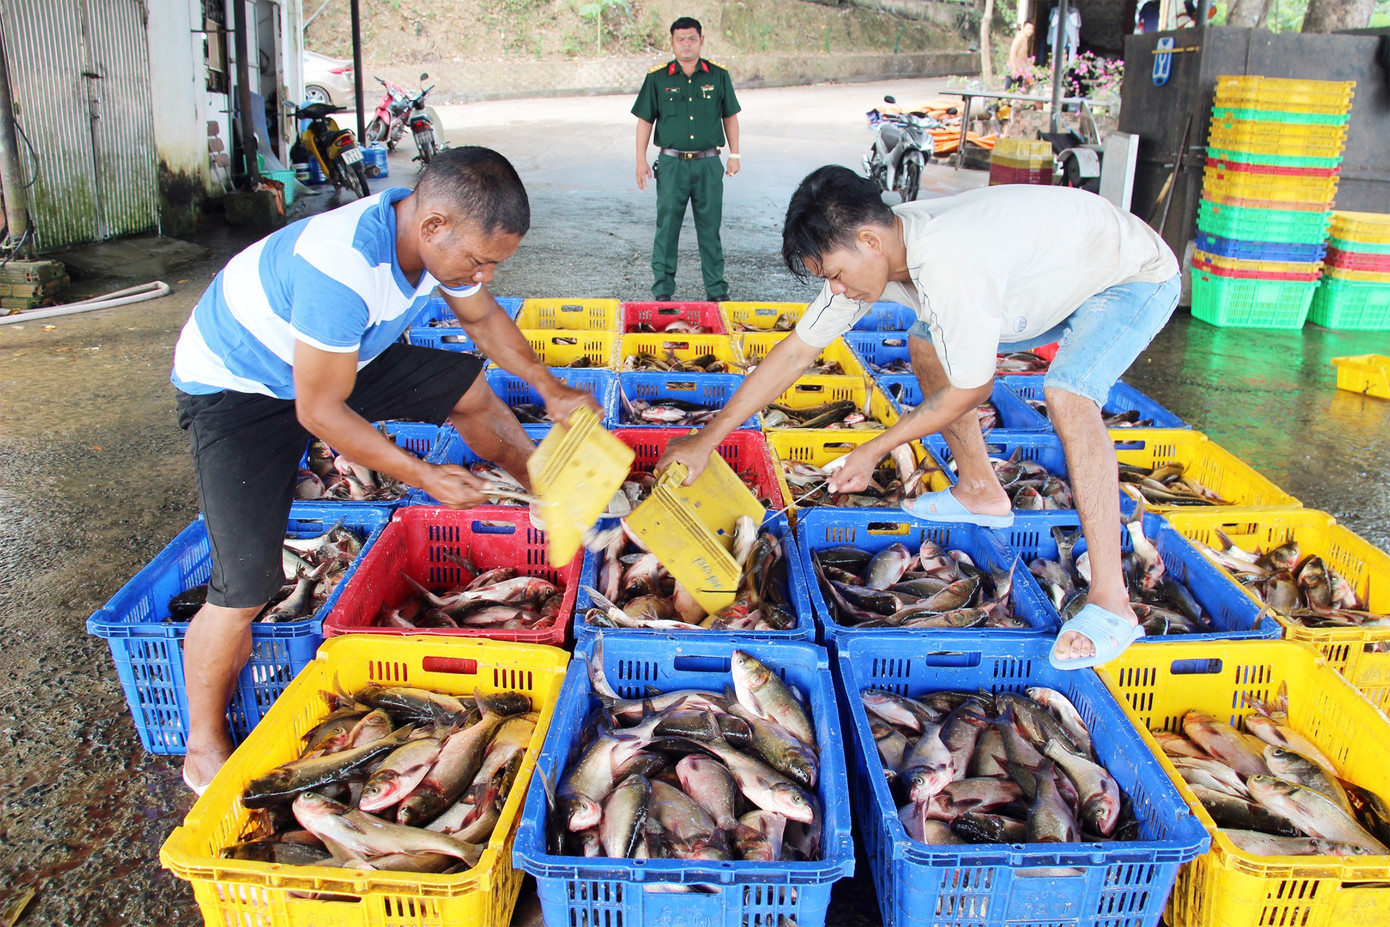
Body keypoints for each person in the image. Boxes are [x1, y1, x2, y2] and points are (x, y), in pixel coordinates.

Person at [170, 146, 599, 792]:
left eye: (493, 262)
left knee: (472, 395)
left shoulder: (436, 240)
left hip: (333, 357)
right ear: (433, 227)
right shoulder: (344, 269)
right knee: (244, 586)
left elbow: (482, 318)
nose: (482, 273)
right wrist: (424, 476)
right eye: (479, 260)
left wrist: (548, 385)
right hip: (241, 388)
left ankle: (558, 501)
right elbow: (318, 410)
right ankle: (200, 743)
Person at [657, 165, 1180, 670]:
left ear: (869, 241)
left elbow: (973, 388)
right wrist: (708, 439)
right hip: (1047, 280)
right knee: (925, 341)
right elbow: (796, 353)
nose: (835, 289)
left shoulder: (951, 262)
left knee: (1068, 391)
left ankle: (1112, 601)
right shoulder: (882, 245)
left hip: (1130, 275)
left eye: (835, 275)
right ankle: (980, 490)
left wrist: (875, 449)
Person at [632, 16, 742, 302]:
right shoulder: (657, 78)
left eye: (692, 38)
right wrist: (640, 159)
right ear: (672, 42)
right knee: (666, 229)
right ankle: (663, 292)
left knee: (710, 229)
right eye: (680, 39)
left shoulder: (718, 76)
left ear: (701, 41)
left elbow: (730, 116)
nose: (686, 44)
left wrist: (735, 154)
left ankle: (717, 292)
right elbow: (645, 120)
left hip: (708, 163)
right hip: (671, 164)